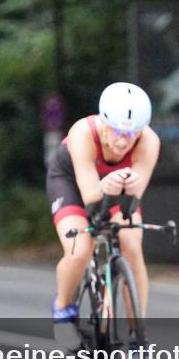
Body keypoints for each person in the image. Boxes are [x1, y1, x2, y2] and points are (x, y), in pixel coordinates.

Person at [45, 83, 160, 344]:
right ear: (104, 122)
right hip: (73, 183)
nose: (123, 141)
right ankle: (63, 309)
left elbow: (131, 204)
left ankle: (137, 335)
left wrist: (128, 189)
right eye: (118, 131)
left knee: (131, 244)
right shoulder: (83, 133)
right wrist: (104, 188)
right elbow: (91, 202)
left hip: (116, 189)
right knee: (79, 249)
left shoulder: (149, 141)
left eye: (131, 134)